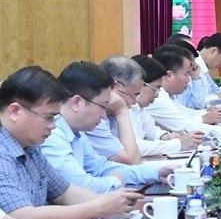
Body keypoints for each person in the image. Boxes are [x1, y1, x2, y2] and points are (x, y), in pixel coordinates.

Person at [0, 66, 141, 219]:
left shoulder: (30, 148)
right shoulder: (3, 152)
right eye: (49, 117)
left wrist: (113, 204)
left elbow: (65, 193)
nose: (53, 126)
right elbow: (22, 217)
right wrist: (98, 208)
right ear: (15, 111)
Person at [40, 62, 176, 194]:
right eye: (103, 106)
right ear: (77, 102)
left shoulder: (77, 132)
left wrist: (156, 172)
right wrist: (115, 181)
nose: (104, 114)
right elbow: (80, 186)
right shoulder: (52, 134)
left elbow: (101, 168)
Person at [131, 55, 203, 156]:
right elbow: (135, 147)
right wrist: (178, 144)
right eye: (156, 88)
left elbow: (151, 130)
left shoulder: (139, 107)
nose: (157, 95)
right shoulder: (124, 108)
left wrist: (165, 136)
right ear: (140, 84)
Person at [145, 46, 221, 133]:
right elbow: (185, 127)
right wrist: (205, 118)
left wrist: (206, 112)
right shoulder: (157, 97)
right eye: (186, 74)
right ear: (169, 75)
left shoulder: (168, 94)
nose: (189, 80)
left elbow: (185, 114)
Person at [84, 55, 144, 165]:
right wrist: (122, 111)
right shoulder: (91, 116)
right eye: (135, 95)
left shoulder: (112, 112)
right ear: (116, 86)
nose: (134, 102)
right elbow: (131, 161)